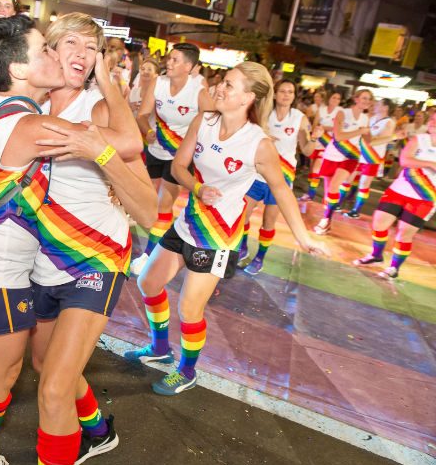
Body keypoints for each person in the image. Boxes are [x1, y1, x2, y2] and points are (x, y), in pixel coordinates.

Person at [0, 14, 150, 465]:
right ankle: (97, 429)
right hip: (42, 262)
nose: (80, 52)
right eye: (67, 43)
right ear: (45, 55)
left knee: (54, 386)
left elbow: (145, 192)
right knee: (40, 361)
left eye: (91, 46)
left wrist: (110, 87)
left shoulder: (97, 109)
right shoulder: (27, 115)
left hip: (96, 258)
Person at [132, 62, 326, 396]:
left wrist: (303, 237)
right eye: (223, 82)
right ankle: (160, 349)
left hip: (220, 237)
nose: (220, 88)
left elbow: (281, 191)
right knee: (148, 282)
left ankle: (187, 370)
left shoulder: (259, 144)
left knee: (189, 309)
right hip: (188, 223)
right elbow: (178, 166)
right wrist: (196, 189)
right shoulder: (202, 121)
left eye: (230, 86)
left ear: (248, 98)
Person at [129, 43, 215, 279]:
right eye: (170, 58)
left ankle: (147, 256)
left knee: (163, 205)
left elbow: (212, 124)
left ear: (189, 66)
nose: (169, 62)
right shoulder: (159, 83)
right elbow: (143, 115)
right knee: (144, 198)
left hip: (180, 157)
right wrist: (147, 132)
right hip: (156, 149)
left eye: (176, 60)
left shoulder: (199, 91)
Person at [237, 80, 322, 274]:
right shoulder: (264, 114)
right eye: (282, 91)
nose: (286, 95)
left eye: (290, 92)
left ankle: (259, 258)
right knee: (242, 214)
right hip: (258, 172)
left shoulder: (300, 119)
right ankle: (242, 248)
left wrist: (315, 138)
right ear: (275, 95)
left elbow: (307, 151)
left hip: (282, 175)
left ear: (294, 96)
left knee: (269, 221)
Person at [353, 112, 435, 279]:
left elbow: (412, 160)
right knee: (379, 223)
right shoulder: (419, 139)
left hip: (425, 197)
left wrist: (418, 162)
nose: (433, 122)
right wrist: (430, 163)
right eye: (433, 118)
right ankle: (376, 255)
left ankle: (394, 268)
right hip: (398, 190)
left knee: (404, 233)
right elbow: (405, 160)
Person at [313, 89, 372, 235]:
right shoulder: (342, 113)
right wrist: (360, 131)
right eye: (364, 98)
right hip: (333, 154)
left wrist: (390, 136)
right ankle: (328, 220)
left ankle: (325, 220)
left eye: (369, 99)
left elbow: (368, 140)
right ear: (356, 98)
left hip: (351, 156)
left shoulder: (365, 119)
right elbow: (338, 136)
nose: (366, 101)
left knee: (334, 186)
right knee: (329, 193)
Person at [344, 98, 396, 218]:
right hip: (360, 153)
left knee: (364, 184)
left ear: (385, 108)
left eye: (379, 104)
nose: (375, 105)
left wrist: (367, 137)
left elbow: (379, 140)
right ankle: (338, 204)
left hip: (373, 157)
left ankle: (356, 210)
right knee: (347, 178)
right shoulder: (371, 118)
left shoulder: (389, 122)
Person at [300, 91, 342, 202]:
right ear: (329, 98)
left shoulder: (340, 112)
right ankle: (311, 191)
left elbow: (338, 129)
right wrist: (320, 129)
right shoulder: (321, 110)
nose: (336, 100)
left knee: (317, 168)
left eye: (338, 98)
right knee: (312, 169)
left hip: (330, 144)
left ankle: (312, 194)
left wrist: (324, 127)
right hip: (318, 141)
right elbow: (315, 126)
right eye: (334, 97)